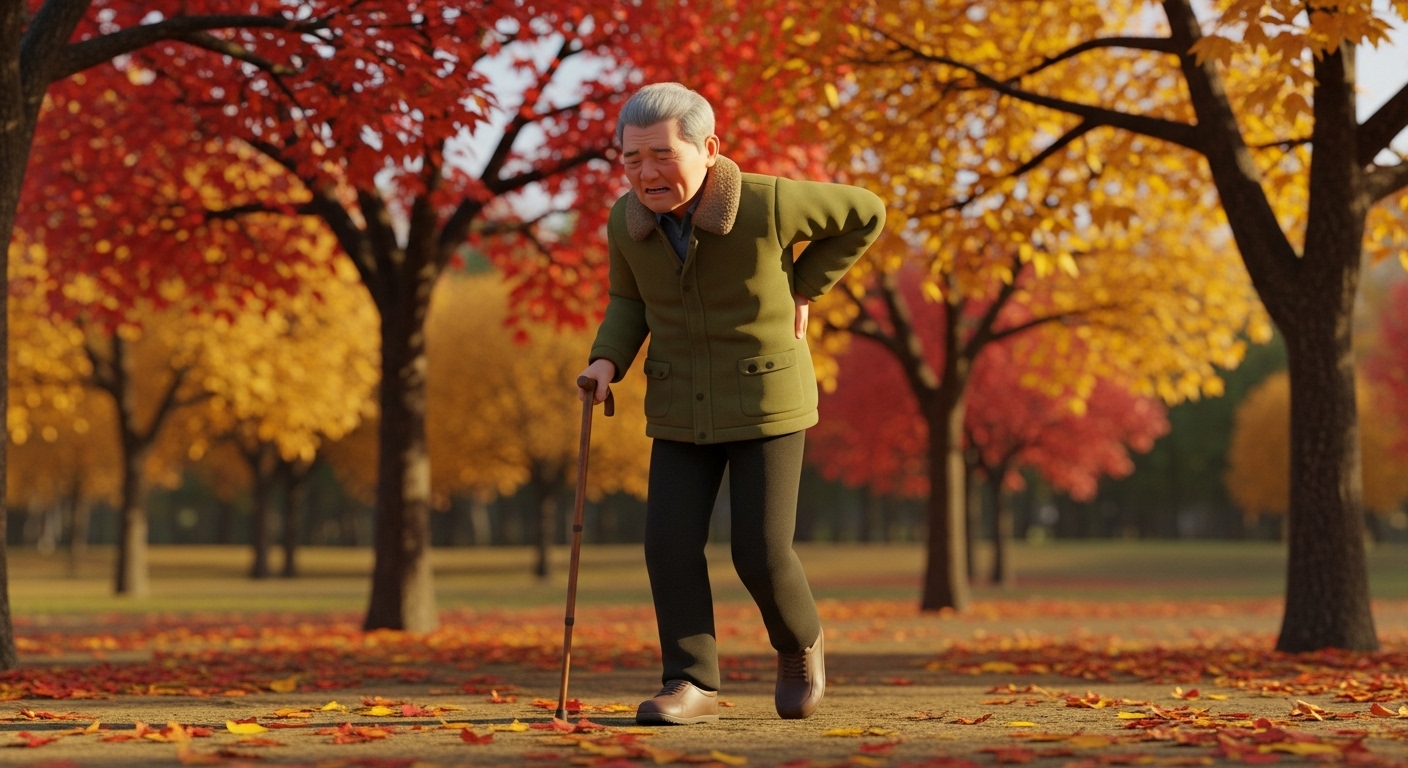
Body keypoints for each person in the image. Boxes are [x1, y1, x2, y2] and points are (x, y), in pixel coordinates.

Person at [576, 82, 885, 725]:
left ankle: (799, 644)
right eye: (631, 159)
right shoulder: (626, 222)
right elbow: (628, 302)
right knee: (668, 545)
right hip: (680, 401)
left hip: (766, 395)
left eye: (661, 154)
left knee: (761, 552)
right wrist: (606, 362)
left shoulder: (769, 203)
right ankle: (690, 682)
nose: (645, 172)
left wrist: (804, 284)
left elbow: (867, 213)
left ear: (709, 148)